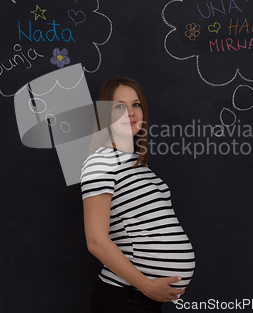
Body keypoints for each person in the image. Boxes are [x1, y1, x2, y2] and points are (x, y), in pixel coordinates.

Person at [80, 76, 195, 313]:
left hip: (141, 300)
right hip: (125, 298)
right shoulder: (100, 162)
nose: (130, 112)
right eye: (119, 106)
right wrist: (147, 285)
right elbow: (95, 241)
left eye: (136, 104)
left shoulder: (137, 164)